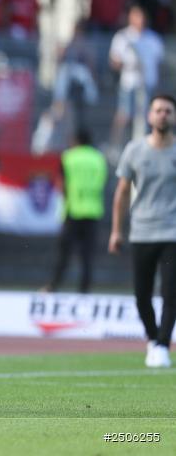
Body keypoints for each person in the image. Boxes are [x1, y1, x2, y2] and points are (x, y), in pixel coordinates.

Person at [109, 94, 176, 369]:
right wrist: (116, 230)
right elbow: (122, 192)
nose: (163, 115)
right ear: (149, 115)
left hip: (172, 233)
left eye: (168, 111)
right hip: (142, 232)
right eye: (158, 110)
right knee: (141, 295)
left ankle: (162, 345)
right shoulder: (134, 150)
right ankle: (152, 337)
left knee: (171, 292)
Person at [42, 129, 107, 293]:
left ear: (76, 141)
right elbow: (102, 182)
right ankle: (85, 289)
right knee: (87, 255)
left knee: (64, 253)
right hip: (93, 211)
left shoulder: (69, 157)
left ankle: (53, 285)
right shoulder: (99, 159)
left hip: (73, 210)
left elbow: (62, 184)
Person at [108, 6, 165, 155]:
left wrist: (158, 85)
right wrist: (129, 65)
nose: (140, 21)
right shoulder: (123, 37)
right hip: (130, 83)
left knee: (146, 117)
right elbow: (114, 61)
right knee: (124, 114)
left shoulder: (153, 39)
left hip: (148, 84)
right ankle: (115, 146)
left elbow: (158, 64)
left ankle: (145, 148)